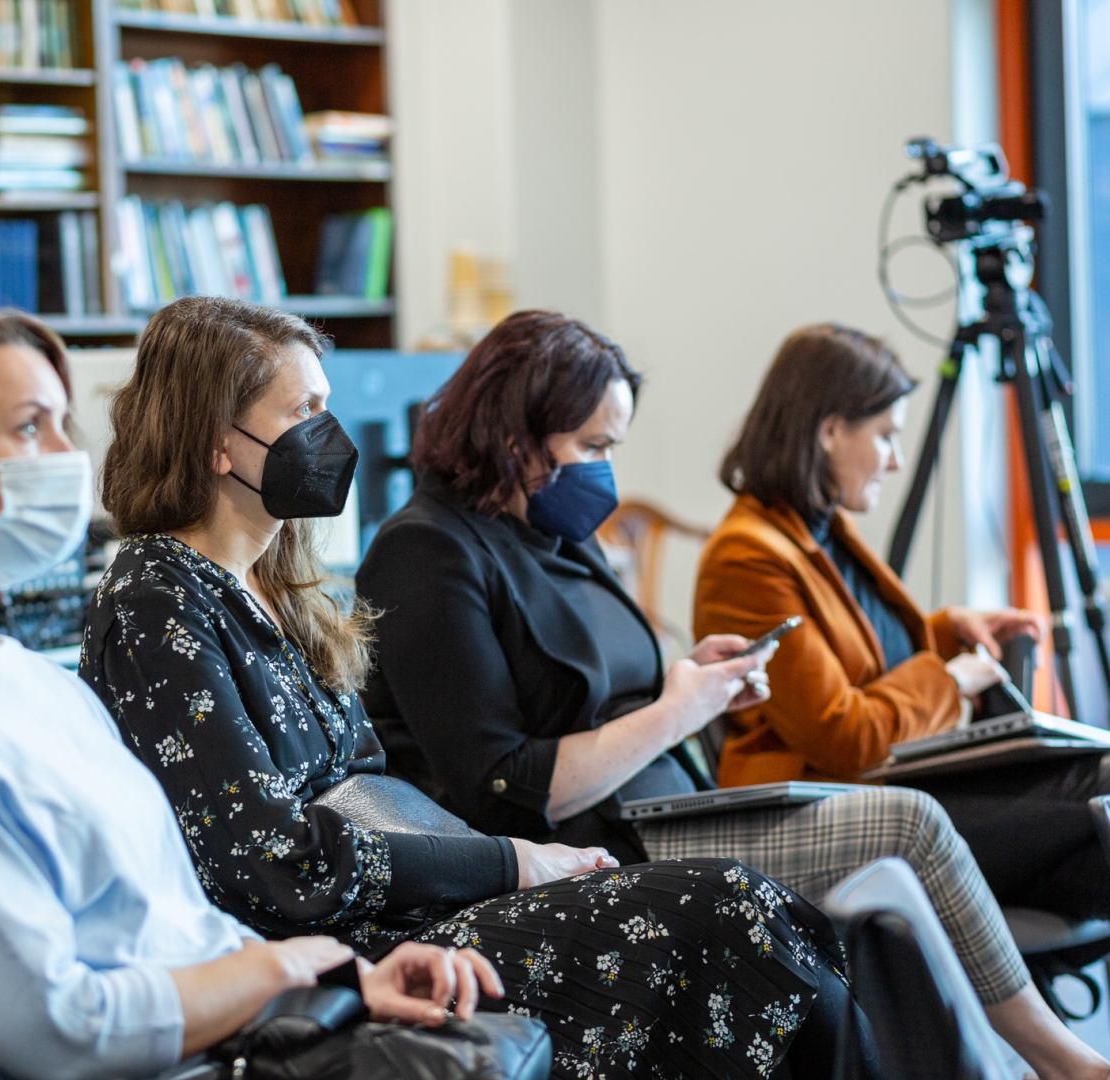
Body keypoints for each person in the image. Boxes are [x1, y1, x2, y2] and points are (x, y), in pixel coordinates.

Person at [80, 297, 870, 1080]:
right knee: (728, 908)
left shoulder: (279, 588)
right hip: (343, 953)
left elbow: (372, 788)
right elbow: (274, 861)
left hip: (407, 909)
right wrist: (510, 863)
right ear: (219, 442)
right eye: (304, 410)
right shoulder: (157, 602)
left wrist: (507, 866)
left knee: (767, 925)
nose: (329, 434)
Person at [351, 310, 1110, 1080]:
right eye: (593, 447)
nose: (605, 470)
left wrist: (696, 682)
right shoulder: (426, 551)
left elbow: (606, 697)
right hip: (594, 843)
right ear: (514, 435)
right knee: (908, 823)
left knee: (1042, 802)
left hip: (670, 807)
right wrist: (677, 711)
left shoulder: (557, 535)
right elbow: (505, 784)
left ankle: (1009, 1058)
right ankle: (1061, 1062)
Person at [0, 304, 512, 1080]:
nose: (68, 457)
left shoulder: (21, 677)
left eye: (64, 424)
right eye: (30, 428)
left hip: (238, 1025)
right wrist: (279, 973)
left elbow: (169, 918)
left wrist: (345, 979)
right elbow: (57, 1026)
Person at [695, 323, 1110, 929]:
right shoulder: (746, 558)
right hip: (838, 808)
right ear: (830, 431)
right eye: (886, 435)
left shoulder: (818, 527)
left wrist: (947, 630)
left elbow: (857, 655)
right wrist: (953, 679)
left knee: (1096, 778)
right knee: (1091, 820)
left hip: (894, 784)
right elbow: (845, 735)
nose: (896, 459)